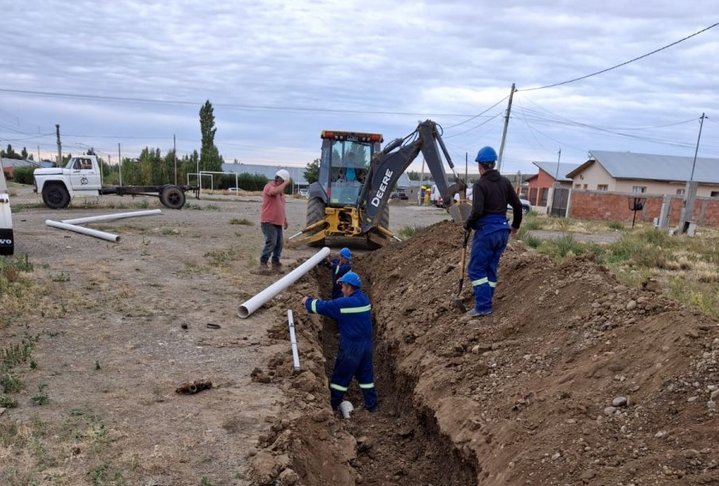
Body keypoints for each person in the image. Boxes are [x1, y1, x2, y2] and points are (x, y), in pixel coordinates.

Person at [301, 272, 378, 413]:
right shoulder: (364, 299)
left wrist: (307, 301)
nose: (341, 289)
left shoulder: (345, 304)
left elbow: (323, 307)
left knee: (340, 378)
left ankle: (332, 406)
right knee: (366, 376)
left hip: (351, 348)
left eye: (342, 286)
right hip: (366, 346)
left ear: (349, 287)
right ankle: (372, 406)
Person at [463, 146, 522, 317]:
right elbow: (517, 206)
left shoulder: (480, 185)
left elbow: (477, 211)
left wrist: (468, 224)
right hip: (503, 231)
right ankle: (486, 302)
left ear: (480, 165)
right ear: (494, 163)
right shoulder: (504, 182)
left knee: (476, 269)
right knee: (490, 269)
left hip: (487, 232)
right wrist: (515, 226)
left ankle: (483, 306)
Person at [258, 169, 290, 274]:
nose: (284, 185)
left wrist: (284, 220)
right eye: (282, 181)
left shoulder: (281, 193)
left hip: (278, 222)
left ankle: (275, 263)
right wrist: (285, 182)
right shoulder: (269, 186)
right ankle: (263, 263)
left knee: (279, 244)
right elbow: (274, 192)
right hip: (268, 221)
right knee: (271, 242)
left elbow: (281, 207)